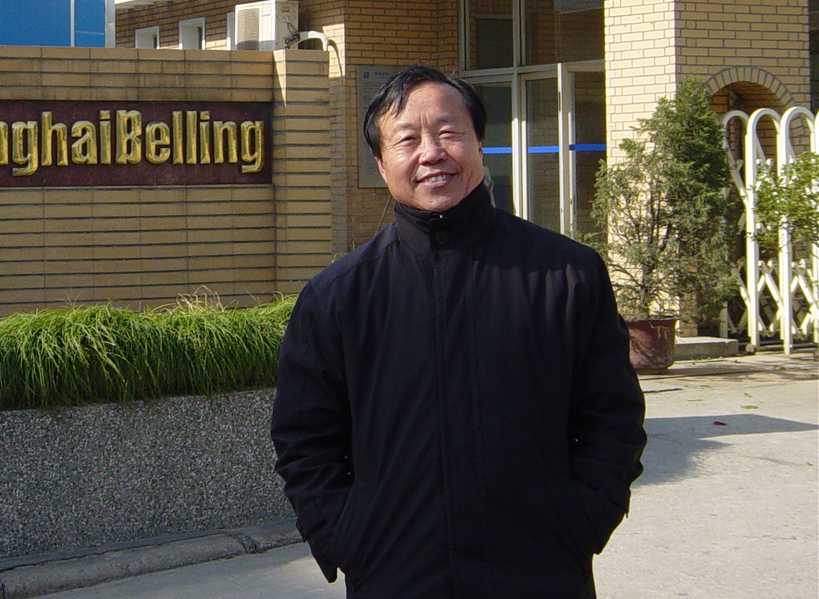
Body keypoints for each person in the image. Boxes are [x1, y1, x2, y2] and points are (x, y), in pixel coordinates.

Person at [271, 65, 646, 599]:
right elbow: (305, 440)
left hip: (542, 573)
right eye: (408, 140)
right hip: (395, 576)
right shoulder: (338, 297)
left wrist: (581, 522)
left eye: (449, 133)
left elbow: (613, 419)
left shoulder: (565, 275)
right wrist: (346, 539)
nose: (432, 153)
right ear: (381, 163)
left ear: (479, 144)